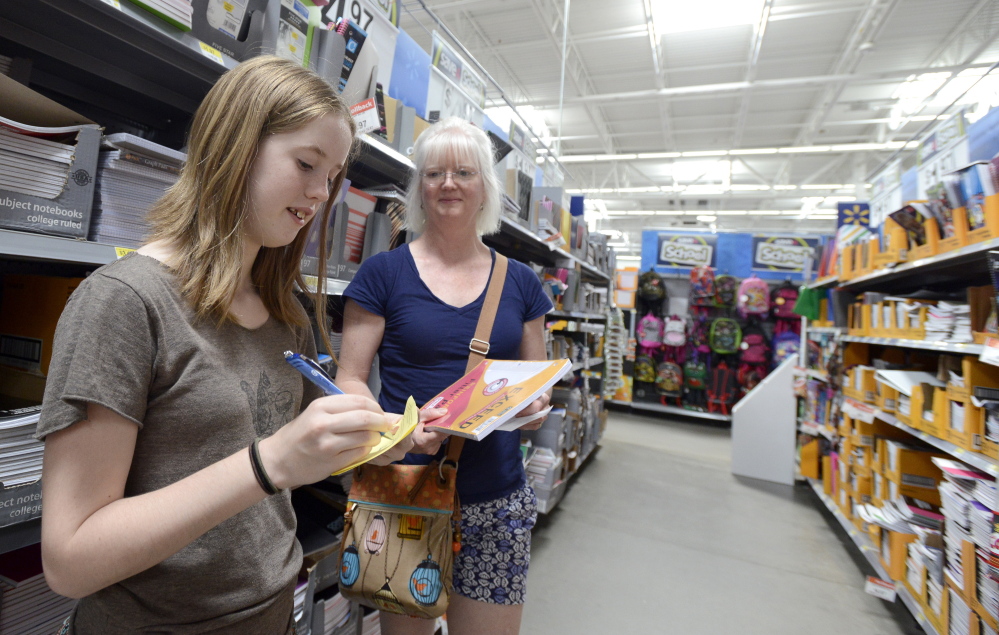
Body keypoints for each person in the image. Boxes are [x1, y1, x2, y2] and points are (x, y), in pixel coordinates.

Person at [36, 55, 410, 634]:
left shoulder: (286, 312)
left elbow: (301, 453)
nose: (319, 194)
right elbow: (70, 559)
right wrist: (270, 463)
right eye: (306, 163)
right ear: (235, 148)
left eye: (332, 175)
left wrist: (374, 440)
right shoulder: (125, 303)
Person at [337, 116, 554, 635]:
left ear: (485, 188)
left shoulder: (522, 283)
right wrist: (395, 430)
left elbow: (537, 384)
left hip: (495, 499)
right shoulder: (382, 274)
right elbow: (349, 381)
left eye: (464, 172)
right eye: (434, 173)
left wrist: (530, 411)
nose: (449, 183)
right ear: (419, 189)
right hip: (402, 487)